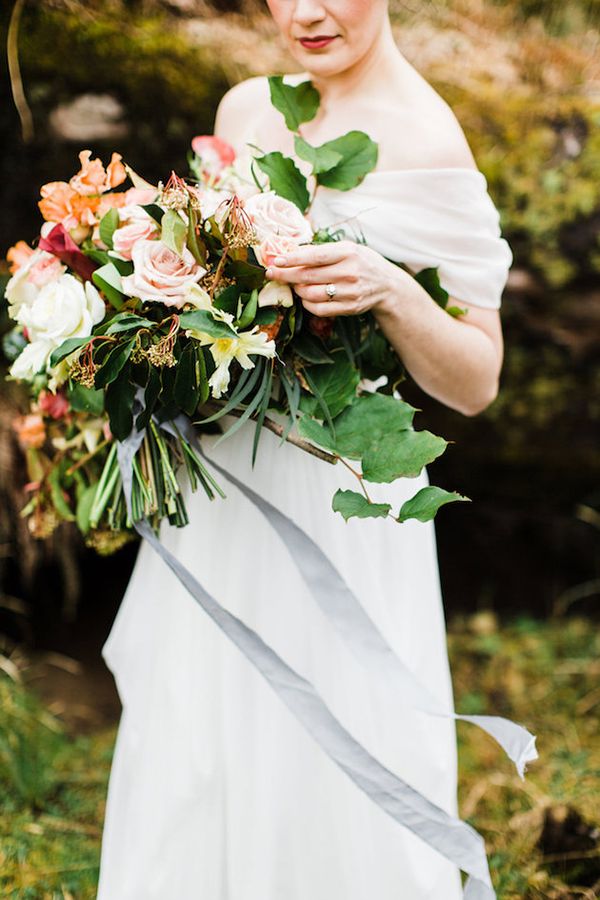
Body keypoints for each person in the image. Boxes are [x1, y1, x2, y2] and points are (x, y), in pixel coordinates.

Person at [97, 1, 512, 897]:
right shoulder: (246, 109)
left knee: (338, 739)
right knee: (198, 728)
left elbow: (477, 378)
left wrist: (397, 295)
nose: (307, 12)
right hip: (225, 482)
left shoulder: (429, 141)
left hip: (345, 491)